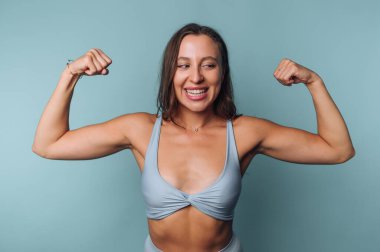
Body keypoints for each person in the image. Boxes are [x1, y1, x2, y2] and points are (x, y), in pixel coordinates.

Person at [32, 23, 355, 252]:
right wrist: (70, 74)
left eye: (209, 65)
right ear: (170, 73)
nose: (196, 77)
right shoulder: (140, 130)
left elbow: (337, 149)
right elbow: (48, 144)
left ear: (222, 73)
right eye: (183, 65)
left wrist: (314, 82)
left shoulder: (245, 132)